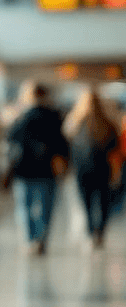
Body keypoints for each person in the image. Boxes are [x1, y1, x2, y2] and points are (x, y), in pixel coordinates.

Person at [7, 82, 69, 255]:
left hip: (24, 169)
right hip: (47, 170)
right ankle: (42, 239)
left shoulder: (21, 118)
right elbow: (62, 146)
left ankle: (30, 240)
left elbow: (11, 141)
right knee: (46, 207)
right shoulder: (54, 118)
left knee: (24, 207)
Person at [63, 88, 120, 249]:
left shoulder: (76, 122)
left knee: (87, 203)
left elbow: (67, 143)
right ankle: (99, 232)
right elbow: (114, 150)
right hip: (103, 169)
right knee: (103, 203)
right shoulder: (108, 123)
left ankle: (90, 231)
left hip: (83, 170)